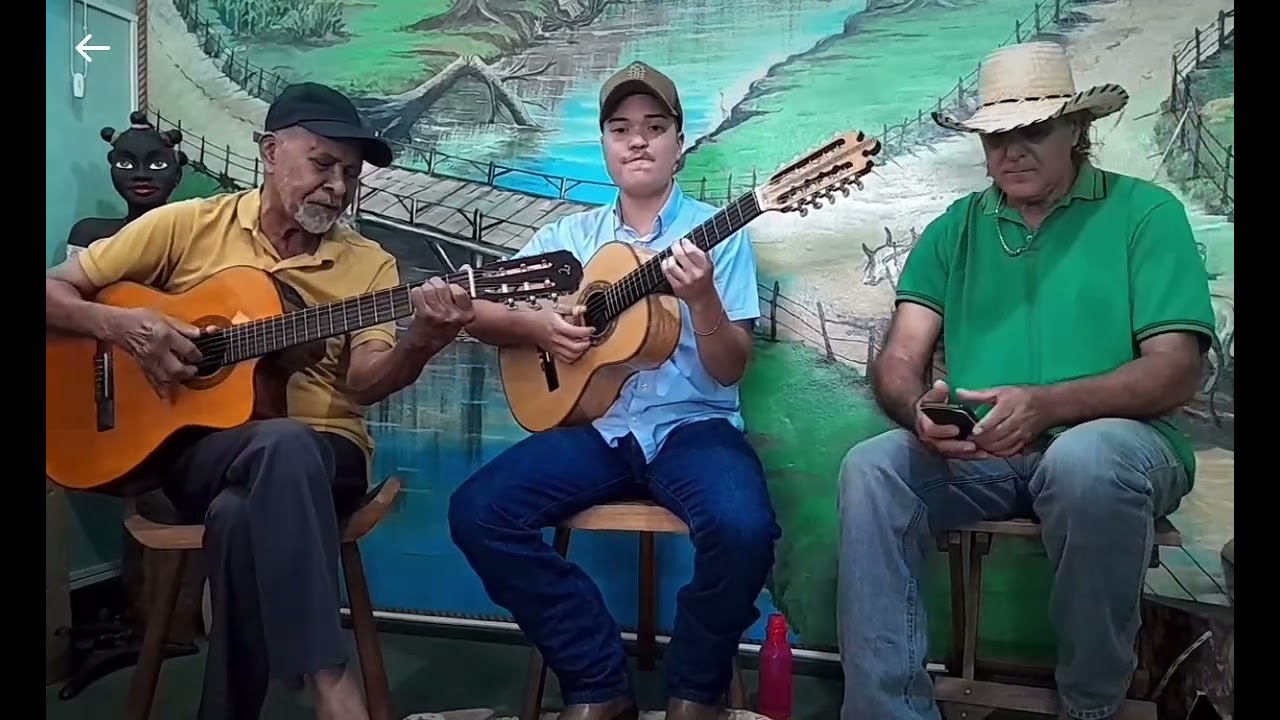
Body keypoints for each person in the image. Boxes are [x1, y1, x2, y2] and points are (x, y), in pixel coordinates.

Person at [45, 82, 474, 720]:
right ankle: (332, 682)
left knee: (248, 499)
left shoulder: (372, 265)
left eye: (350, 175)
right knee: (274, 450)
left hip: (330, 456)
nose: (336, 186)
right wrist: (124, 326)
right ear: (271, 152)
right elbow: (56, 291)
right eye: (322, 164)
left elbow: (364, 383)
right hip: (198, 450)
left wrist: (424, 342)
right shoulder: (190, 224)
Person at [837, 42, 1216, 720]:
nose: (1009, 150)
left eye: (1032, 130)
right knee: (872, 468)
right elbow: (899, 359)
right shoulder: (956, 229)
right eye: (995, 136)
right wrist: (914, 409)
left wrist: (1048, 406)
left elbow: (1175, 369)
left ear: (1078, 129)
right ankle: (887, 712)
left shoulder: (1145, 215)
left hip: (1123, 446)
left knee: (1086, 460)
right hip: (985, 451)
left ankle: (1091, 707)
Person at [448, 62, 780, 720]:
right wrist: (538, 324)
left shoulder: (721, 234)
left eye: (655, 128)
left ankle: (695, 690)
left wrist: (702, 295)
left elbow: (728, 368)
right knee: (479, 511)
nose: (638, 141)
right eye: (621, 128)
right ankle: (598, 682)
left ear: (679, 143)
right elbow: (474, 309)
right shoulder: (568, 240)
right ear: (604, 144)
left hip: (693, 428)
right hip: (597, 429)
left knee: (745, 528)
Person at [66, 111, 189, 251]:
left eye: (157, 164)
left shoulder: (194, 235)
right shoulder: (88, 234)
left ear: (177, 174)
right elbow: (68, 272)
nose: (141, 175)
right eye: (125, 164)